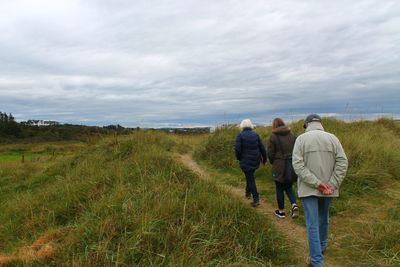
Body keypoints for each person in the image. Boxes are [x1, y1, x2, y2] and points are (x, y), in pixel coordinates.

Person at [292, 114, 348, 267]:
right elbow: (343, 162)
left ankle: (317, 262)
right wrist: (331, 184)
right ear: (320, 124)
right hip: (328, 189)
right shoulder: (333, 138)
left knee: (312, 224)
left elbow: (297, 165)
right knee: (324, 219)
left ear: (306, 125)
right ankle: (321, 248)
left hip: (309, 189)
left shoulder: (301, 140)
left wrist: (317, 184)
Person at [267, 118, 299, 219]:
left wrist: (273, 162)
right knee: (289, 187)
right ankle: (294, 204)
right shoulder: (292, 135)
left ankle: (281, 212)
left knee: (279, 188)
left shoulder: (273, 136)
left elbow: (270, 153)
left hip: (279, 165)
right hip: (291, 164)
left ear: (274, 125)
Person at [235, 119, 267, 207]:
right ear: (250, 125)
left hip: (245, 160)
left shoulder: (240, 136)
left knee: (250, 178)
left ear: (242, 126)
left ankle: (256, 199)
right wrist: (264, 159)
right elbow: (262, 148)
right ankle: (247, 193)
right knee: (250, 175)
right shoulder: (256, 135)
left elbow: (237, 149)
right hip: (255, 160)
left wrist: (239, 158)